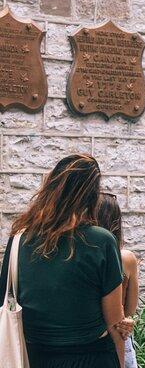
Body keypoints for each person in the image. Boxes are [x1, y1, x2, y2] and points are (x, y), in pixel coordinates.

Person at [7, 154, 132, 368]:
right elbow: (114, 323)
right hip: (91, 358)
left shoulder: (19, 239)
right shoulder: (101, 241)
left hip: (33, 357)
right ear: (92, 195)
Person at [97, 193, 139, 368]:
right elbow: (130, 308)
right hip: (119, 331)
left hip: (90, 336)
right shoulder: (127, 258)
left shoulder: (82, 257)